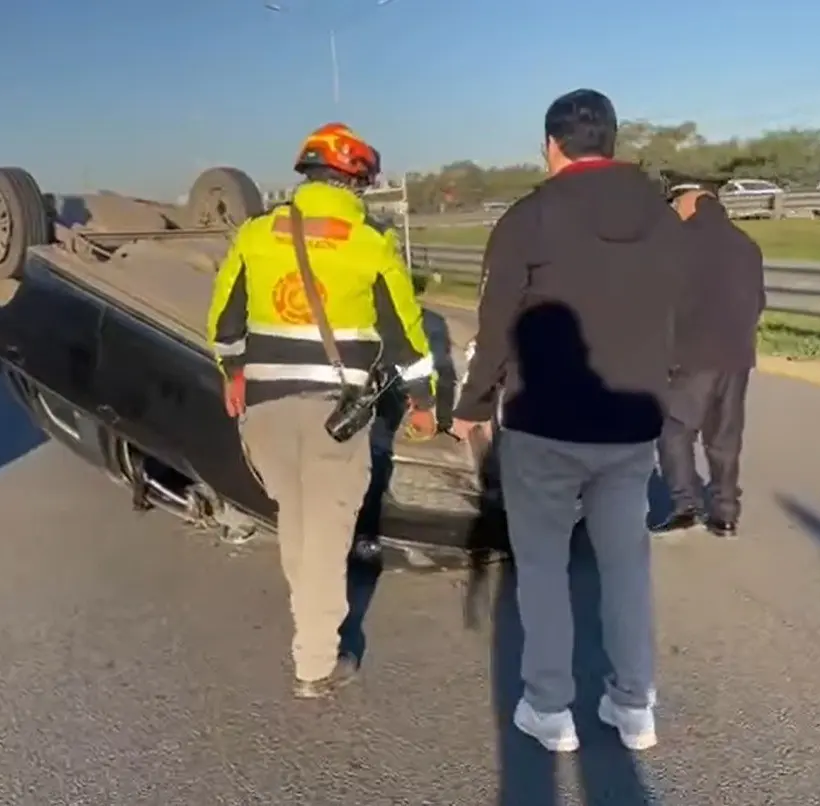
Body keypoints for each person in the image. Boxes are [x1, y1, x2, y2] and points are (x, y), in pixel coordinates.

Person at [450, 89, 685, 752]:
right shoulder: (665, 219)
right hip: (630, 424)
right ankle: (633, 704)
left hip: (543, 424)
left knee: (544, 568)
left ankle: (549, 709)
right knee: (624, 566)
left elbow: (495, 324)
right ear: (610, 141)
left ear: (550, 145)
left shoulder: (530, 216)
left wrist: (469, 407)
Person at [206, 122, 437, 699]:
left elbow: (223, 326)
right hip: (334, 414)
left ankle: (308, 621)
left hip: (264, 409)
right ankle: (315, 662)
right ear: (354, 181)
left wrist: (231, 375)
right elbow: (406, 337)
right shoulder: (369, 243)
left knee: (297, 519)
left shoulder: (256, 235)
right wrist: (425, 401)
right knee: (329, 535)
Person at [652, 189, 765, 538]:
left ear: (688, 207)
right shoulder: (746, 244)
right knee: (725, 436)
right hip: (737, 355)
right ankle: (726, 513)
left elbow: (664, 303)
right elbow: (758, 300)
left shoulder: (676, 244)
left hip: (692, 355)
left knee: (674, 431)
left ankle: (686, 504)